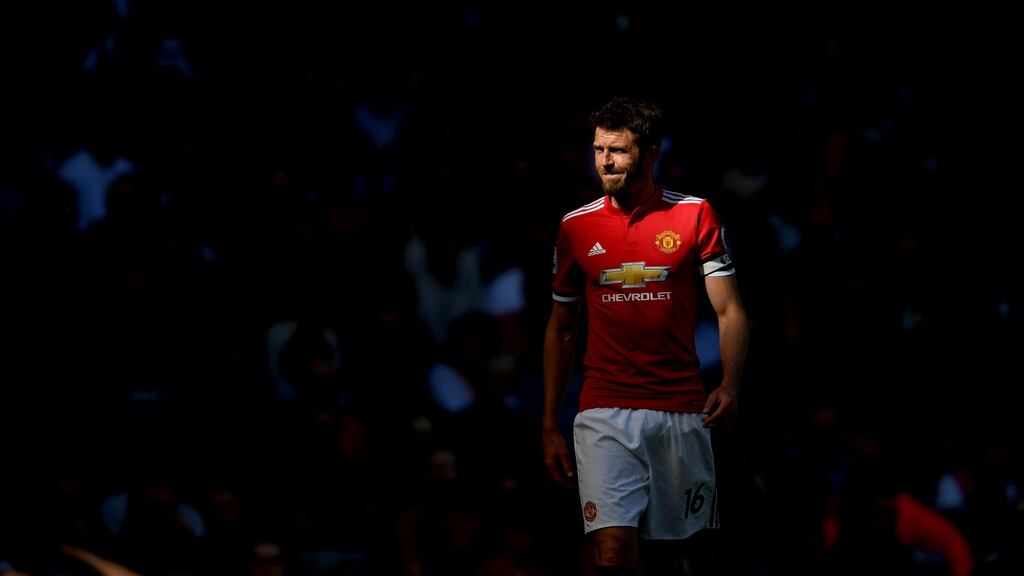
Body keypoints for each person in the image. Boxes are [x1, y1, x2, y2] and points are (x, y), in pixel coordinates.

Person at [542, 96, 749, 576]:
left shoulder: (696, 215)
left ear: (652, 152)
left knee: (678, 559)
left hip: (680, 410)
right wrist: (549, 422)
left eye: (619, 150)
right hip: (603, 411)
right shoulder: (576, 226)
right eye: (598, 149)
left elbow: (731, 310)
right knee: (612, 553)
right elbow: (560, 328)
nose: (605, 162)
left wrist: (731, 383)